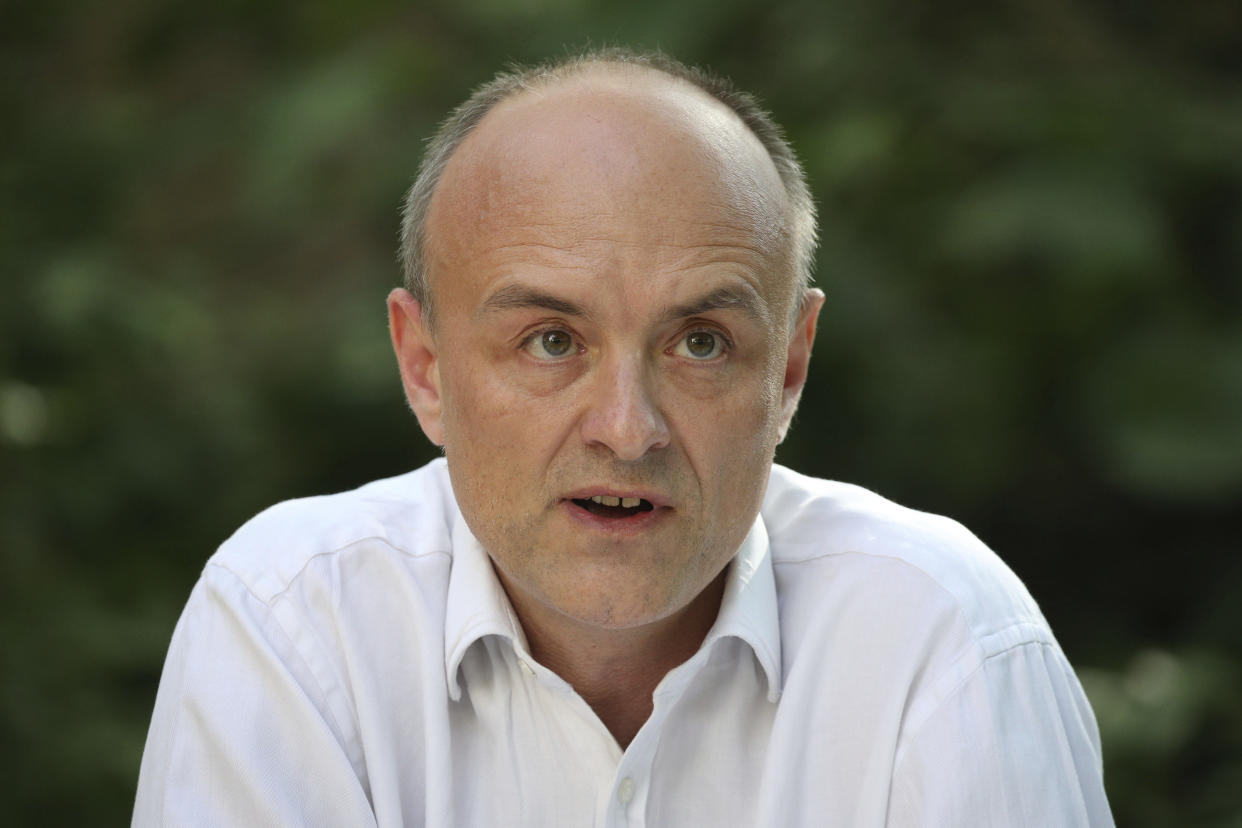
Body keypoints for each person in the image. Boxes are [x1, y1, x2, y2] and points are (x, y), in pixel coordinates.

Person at [133, 49, 1114, 826]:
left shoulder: (940, 638)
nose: (627, 429)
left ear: (787, 370)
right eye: (551, 341)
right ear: (426, 368)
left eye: (699, 342)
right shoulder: (296, 622)